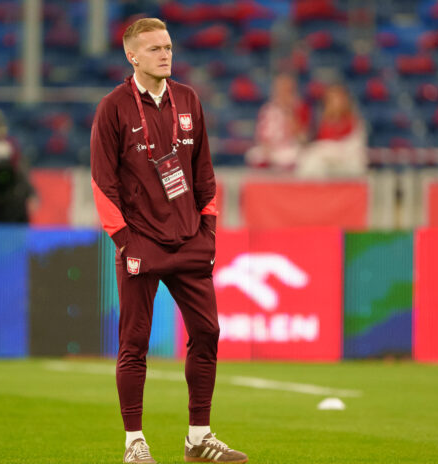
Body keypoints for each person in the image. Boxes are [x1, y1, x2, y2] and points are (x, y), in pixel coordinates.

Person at [90, 17, 248, 464]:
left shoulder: (189, 99)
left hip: (189, 240)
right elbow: (103, 183)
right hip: (141, 243)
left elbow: (204, 173)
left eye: (168, 47)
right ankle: (134, 443)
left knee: (208, 332)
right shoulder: (113, 107)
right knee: (134, 343)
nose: (165, 55)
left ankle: (198, 439)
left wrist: (208, 231)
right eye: (154, 48)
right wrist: (125, 241)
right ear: (132, 56)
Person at [297, 83, 367, 177]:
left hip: (346, 167)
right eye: (331, 99)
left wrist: (325, 149)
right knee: (310, 160)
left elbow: (354, 150)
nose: (336, 103)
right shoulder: (319, 122)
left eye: (338, 99)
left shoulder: (355, 123)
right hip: (325, 168)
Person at [245, 73, 311, 169]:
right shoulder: (267, 109)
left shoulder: (300, 107)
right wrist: (266, 147)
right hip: (270, 149)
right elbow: (261, 135)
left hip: (290, 149)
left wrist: (288, 112)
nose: (282, 93)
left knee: (297, 156)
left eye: (286, 89)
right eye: (279, 89)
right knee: (253, 155)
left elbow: (303, 138)